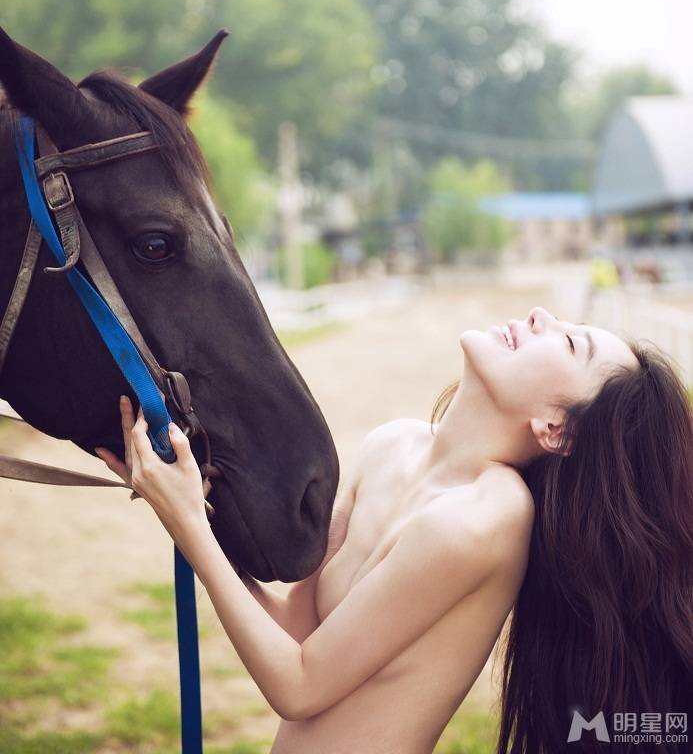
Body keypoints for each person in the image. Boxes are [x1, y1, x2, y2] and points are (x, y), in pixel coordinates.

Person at [96, 305, 693, 754]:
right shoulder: (393, 444)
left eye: (567, 342)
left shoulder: (488, 518)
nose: (540, 316)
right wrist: (183, 505)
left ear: (555, 430)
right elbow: (296, 635)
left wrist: (190, 527)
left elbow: (298, 688)